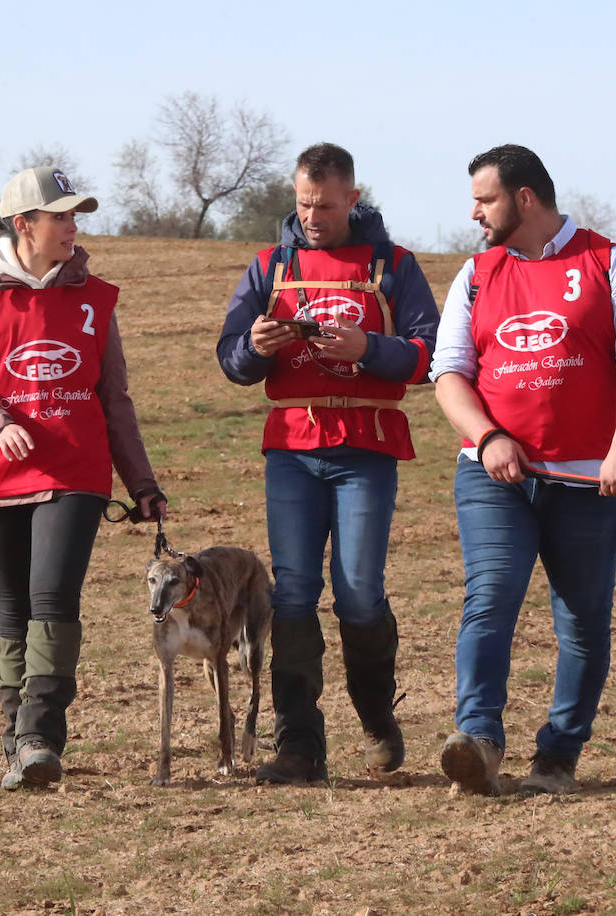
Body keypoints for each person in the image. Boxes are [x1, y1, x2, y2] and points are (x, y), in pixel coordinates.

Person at [430, 144, 616, 796]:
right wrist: (486, 439)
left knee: (583, 622)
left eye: (485, 199)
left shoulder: (608, 262)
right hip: (493, 475)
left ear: (524, 198)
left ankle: (558, 757)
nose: (474, 212)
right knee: (490, 598)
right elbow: (448, 374)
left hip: (589, 481)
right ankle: (477, 742)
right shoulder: (476, 274)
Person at [217, 143, 439, 784]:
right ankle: (299, 745)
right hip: (292, 449)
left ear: (353, 199)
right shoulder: (271, 266)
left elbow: (428, 352)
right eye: (303, 203)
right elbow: (231, 358)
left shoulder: (393, 266)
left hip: (366, 447)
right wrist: (255, 348)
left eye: (325, 204)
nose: (312, 216)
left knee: (359, 594)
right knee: (292, 594)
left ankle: (376, 719)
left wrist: (370, 347)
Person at [0, 166, 166, 790]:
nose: (73, 227)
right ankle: (16, 742)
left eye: (75, 217)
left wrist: (141, 483)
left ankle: (41, 733)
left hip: (74, 470)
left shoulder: (96, 297)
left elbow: (114, 398)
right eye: (60, 217)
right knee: (13, 612)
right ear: (24, 226)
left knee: (52, 600)